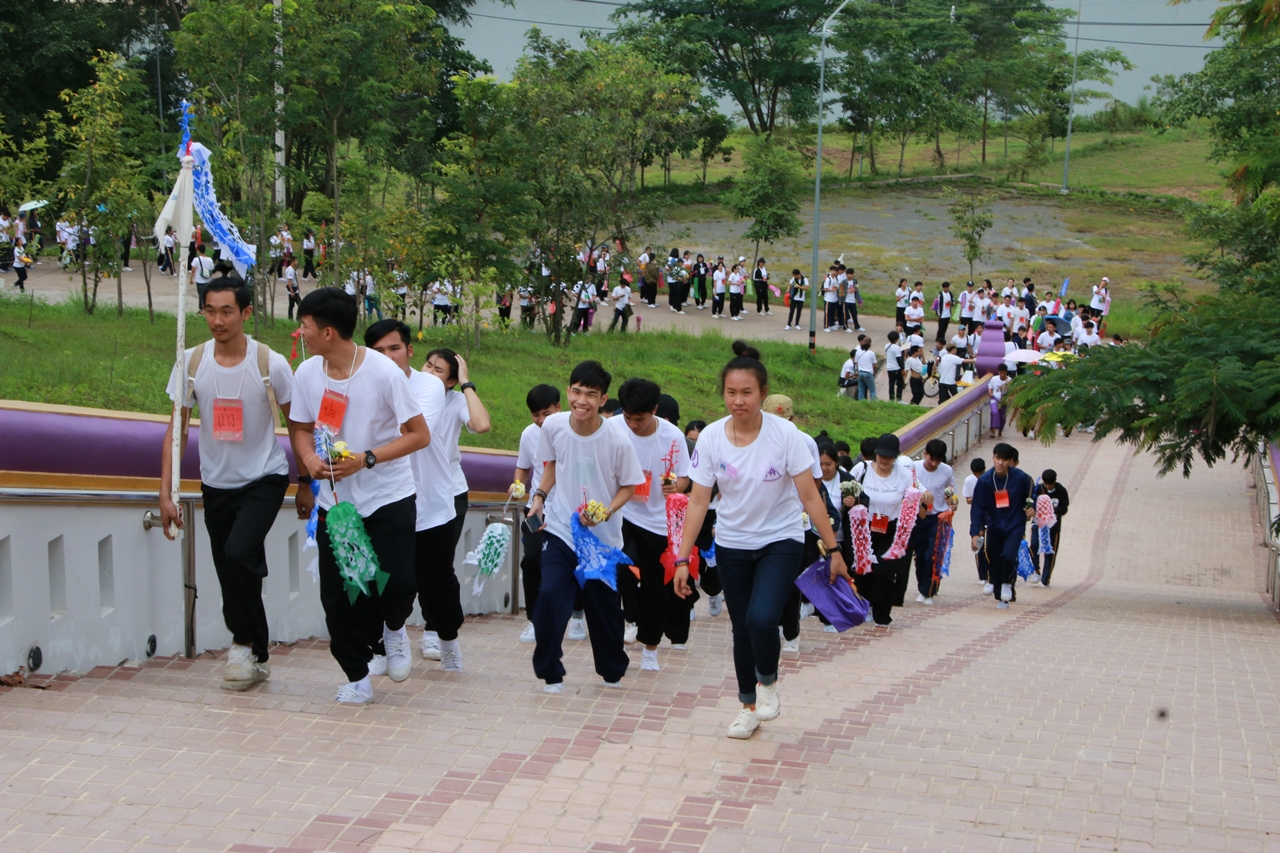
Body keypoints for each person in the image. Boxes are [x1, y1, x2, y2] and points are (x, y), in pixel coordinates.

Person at [672, 341, 849, 739]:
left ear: (763, 393)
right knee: (741, 628)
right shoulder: (712, 438)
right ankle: (748, 706)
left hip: (780, 539)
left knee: (762, 618)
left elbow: (809, 497)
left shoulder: (786, 436)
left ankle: (767, 682)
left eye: (747, 392)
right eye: (731, 393)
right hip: (733, 542)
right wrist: (682, 559)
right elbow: (698, 500)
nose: (738, 400)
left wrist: (833, 549)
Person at [159, 274, 304, 692]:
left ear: (245, 312)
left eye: (227, 311)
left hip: (264, 476)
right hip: (216, 484)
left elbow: (297, 426)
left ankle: (242, 644)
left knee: (240, 553)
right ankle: (258, 650)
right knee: (229, 569)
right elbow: (176, 430)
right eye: (210, 311)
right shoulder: (190, 362)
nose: (217, 320)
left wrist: (307, 480)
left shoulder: (271, 363)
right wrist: (167, 493)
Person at [288, 288, 429, 703]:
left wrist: (367, 459)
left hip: (388, 495)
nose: (301, 333)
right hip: (339, 503)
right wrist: (309, 459)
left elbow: (419, 435)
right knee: (342, 595)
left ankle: (394, 628)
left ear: (328, 331)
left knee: (398, 584)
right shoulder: (308, 374)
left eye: (306, 326)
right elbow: (298, 427)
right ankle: (356, 676)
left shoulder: (384, 374)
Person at [526, 361, 644, 692]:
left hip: (602, 539)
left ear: (603, 399)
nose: (582, 401)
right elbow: (552, 466)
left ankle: (612, 671)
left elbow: (630, 486)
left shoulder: (618, 440)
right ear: (568, 392)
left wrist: (605, 511)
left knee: (604, 609)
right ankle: (550, 670)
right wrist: (539, 496)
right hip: (562, 528)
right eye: (576, 392)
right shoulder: (553, 426)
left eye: (590, 394)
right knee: (550, 594)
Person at [365, 319, 465, 673]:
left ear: (409, 351)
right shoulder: (361, 385)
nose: (388, 357)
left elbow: (413, 432)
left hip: (431, 504)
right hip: (386, 502)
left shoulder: (428, 386)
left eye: (394, 349)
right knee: (387, 579)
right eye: (378, 352)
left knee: (437, 583)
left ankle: (449, 641)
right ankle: (383, 644)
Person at [613, 378, 693, 670]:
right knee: (620, 569)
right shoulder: (612, 428)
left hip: (656, 521)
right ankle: (625, 624)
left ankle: (650, 647)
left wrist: (674, 485)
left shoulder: (672, 437)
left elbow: (683, 476)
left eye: (640, 419)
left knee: (655, 588)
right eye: (628, 418)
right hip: (621, 513)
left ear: (655, 410)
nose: (633, 425)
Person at [421, 347, 492, 659]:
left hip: (448, 492)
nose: (429, 372)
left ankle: (435, 630)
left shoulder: (454, 400)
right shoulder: (407, 393)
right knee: (404, 565)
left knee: (437, 566)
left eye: (439, 370)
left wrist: (466, 384)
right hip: (408, 491)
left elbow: (481, 425)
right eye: (428, 365)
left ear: (450, 382)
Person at [848, 433, 916, 627]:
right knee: (864, 571)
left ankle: (882, 616)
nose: (885, 460)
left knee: (885, 573)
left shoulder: (903, 474)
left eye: (890, 456)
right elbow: (846, 486)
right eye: (881, 455)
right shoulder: (862, 470)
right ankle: (865, 606)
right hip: (864, 528)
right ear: (876, 453)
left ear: (896, 456)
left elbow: (916, 494)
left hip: (891, 530)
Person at [512, 384, 562, 644]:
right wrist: (518, 484)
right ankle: (533, 620)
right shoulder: (529, 434)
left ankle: (575, 615)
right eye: (535, 415)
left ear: (558, 407)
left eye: (546, 413)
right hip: (535, 509)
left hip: (565, 510)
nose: (541, 420)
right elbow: (522, 468)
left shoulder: (569, 433)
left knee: (568, 564)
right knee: (531, 560)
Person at [969, 443, 1035, 610]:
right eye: (997, 459)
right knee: (992, 555)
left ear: (1010, 461)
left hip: (1015, 525)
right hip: (995, 525)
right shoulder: (985, 481)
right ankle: (994, 584)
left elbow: (1030, 497)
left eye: (1004, 460)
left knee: (1008, 556)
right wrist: (975, 532)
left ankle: (1006, 583)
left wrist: (1030, 509)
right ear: (993, 458)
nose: (1000, 463)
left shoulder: (1020, 478)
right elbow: (977, 508)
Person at [907, 440, 958, 605]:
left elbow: (952, 492)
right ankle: (923, 585)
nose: (934, 463)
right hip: (917, 517)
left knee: (933, 554)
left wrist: (952, 502)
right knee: (920, 555)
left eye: (938, 460)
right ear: (925, 454)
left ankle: (927, 591)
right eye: (931, 459)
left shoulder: (947, 471)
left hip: (937, 517)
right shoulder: (913, 468)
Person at [1030, 469, 1069, 587]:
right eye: (1046, 484)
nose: (1048, 486)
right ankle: (1036, 570)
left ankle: (1046, 579)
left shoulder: (1061, 491)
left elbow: (1064, 508)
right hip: (1039, 523)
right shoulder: (1038, 489)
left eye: (1050, 484)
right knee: (1034, 545)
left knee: (1050, 552)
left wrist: (1054, 509)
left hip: (1053, 527)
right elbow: (1031, 502)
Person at [963, 457, 988, 585]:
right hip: (978, 514)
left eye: (980, 474)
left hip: (990, 515)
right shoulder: (969, 481)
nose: (978, 476)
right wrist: (977, 498)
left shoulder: (990, 478)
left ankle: (991, 572)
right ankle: (982, 575)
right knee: (978, 543)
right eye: (975, 474)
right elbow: (968, 500)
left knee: (989, 545)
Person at [988, 364, 1011, 438]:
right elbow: (990, 387)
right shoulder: (994, 379)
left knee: (1002, 417)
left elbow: (1012, 392)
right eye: (1001, 373)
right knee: (994, 412)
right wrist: (990, 393)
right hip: (995, 398)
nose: (1002, 375)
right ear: (998, 372)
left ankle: (1000, 430)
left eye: (1004, 373)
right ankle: (993, 430)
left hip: (1004, 399)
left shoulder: (1010, 381)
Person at [854, 336, 877, 401]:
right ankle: (873, 404)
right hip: (868, 373)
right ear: (869, 344)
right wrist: (874, 373)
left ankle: (861, 403)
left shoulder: (858, 352)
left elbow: (856, 362)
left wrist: (860, 368)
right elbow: (874, 365)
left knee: (861, 389)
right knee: (872, 390)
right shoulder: (871, 353)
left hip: (860, 373)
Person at [884, 331, 904, 403]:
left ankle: (891, 399)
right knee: (900, 383)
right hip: (896, 368)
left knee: (891, 384)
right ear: (896, 339)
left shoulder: (886, 345)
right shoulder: (896, 347)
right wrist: (902, 368)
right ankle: (899, 399)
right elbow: (899, 359)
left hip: (889, 368)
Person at [823, 265, 840, 332]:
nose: (834, 272)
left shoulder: (836, 278)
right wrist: (831, 290)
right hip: (828, 299)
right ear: (830, 271)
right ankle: (826, 326)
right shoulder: (828, 279)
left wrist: (836, 288)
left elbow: (836, 286)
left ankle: (832, 324)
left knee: (833, 312)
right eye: (833, 271)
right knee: (827, 313)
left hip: (834, 298)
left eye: (835, 271)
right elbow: (825, 289)